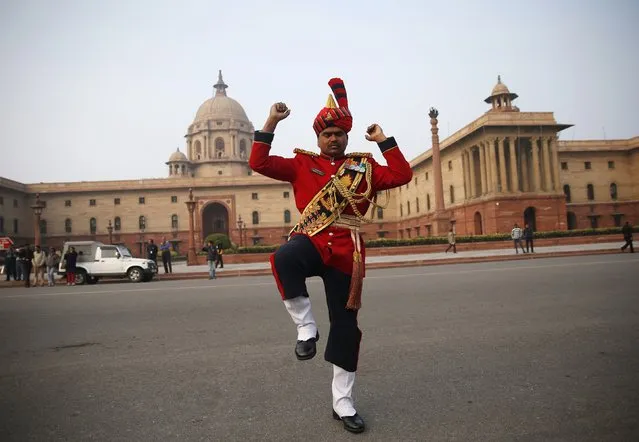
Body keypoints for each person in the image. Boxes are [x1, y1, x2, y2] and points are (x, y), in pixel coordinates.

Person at [249, 77, 412, 434]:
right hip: (312, 242)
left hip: (346, 255)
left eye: (339, 133)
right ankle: (306, 328)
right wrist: (271, 122)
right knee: (284, 258)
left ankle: (343, 402)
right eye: (327, 134)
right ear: (318, 137)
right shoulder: (300, 165)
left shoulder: (364, 168)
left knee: (346, 329)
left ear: (347, 136)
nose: (333, 138)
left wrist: (383, 140)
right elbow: (258, 162)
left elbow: (402, 174)